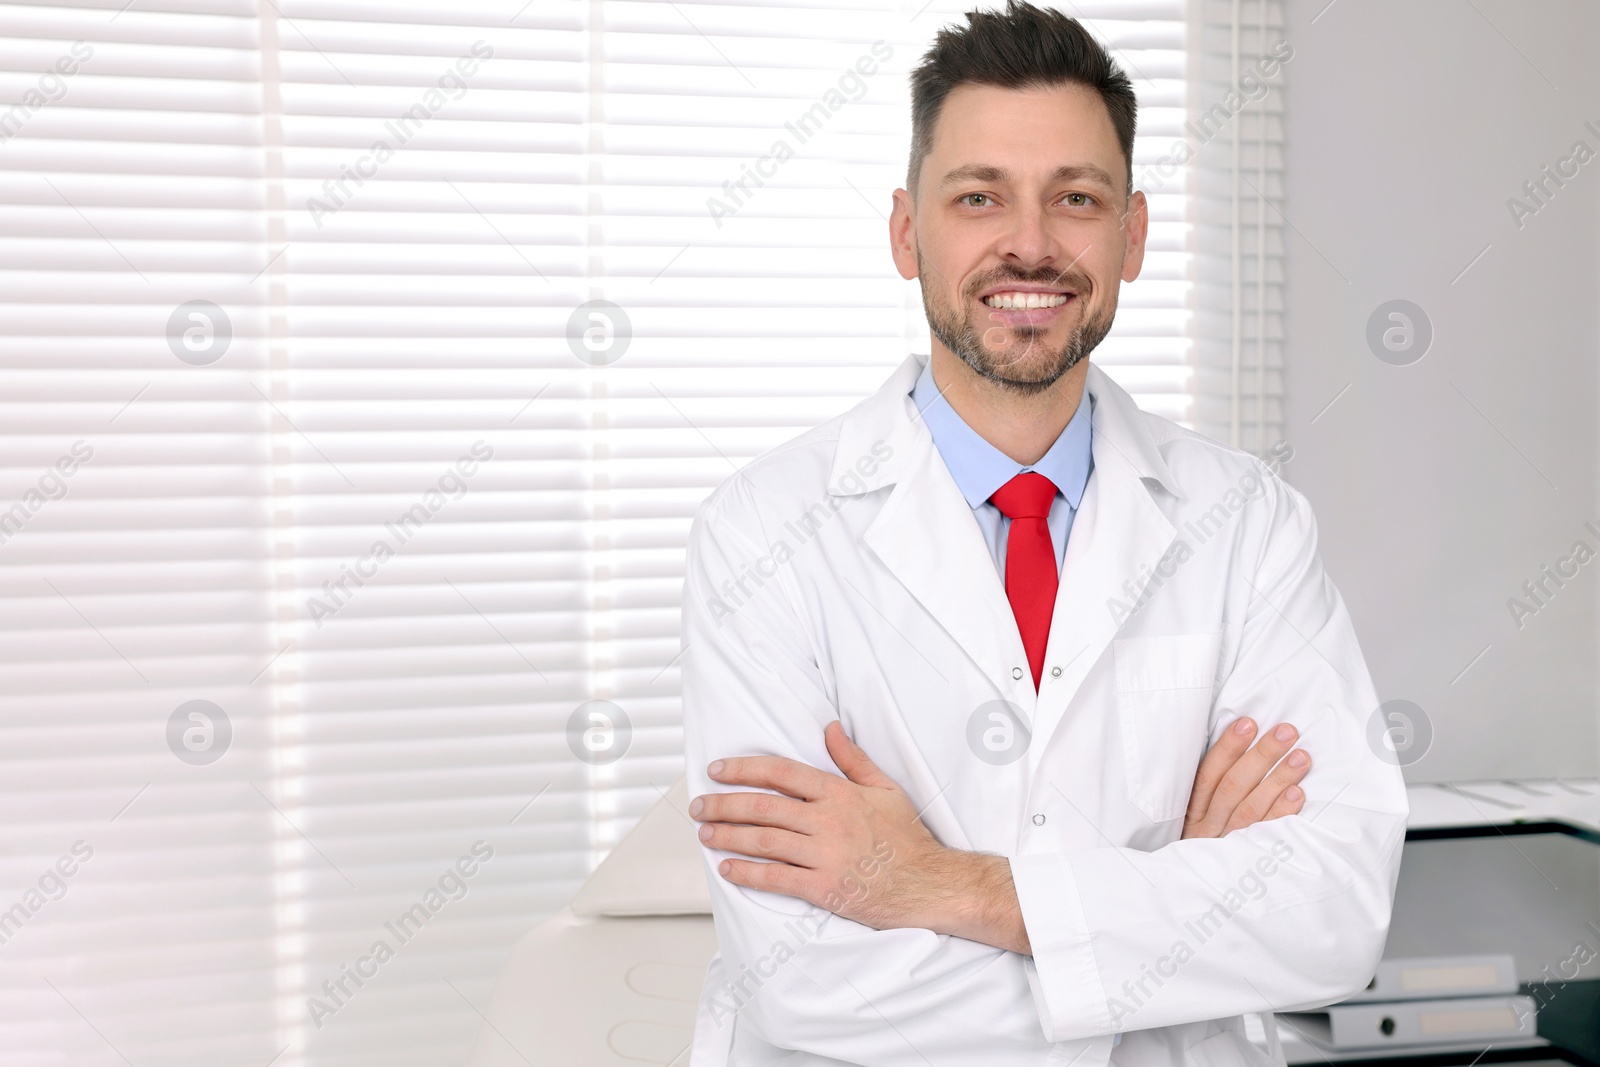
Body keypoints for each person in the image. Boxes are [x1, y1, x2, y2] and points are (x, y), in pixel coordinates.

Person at [679, 3, 1408, 1064]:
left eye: (1076, 198)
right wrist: (1168, 928)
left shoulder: (1247, 523)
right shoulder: (763, 532)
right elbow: (804, 980)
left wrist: (938, 884)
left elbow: (1332, 912)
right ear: (904, 231)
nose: (1030, 242)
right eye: (979, 197)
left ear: (1133, 233)